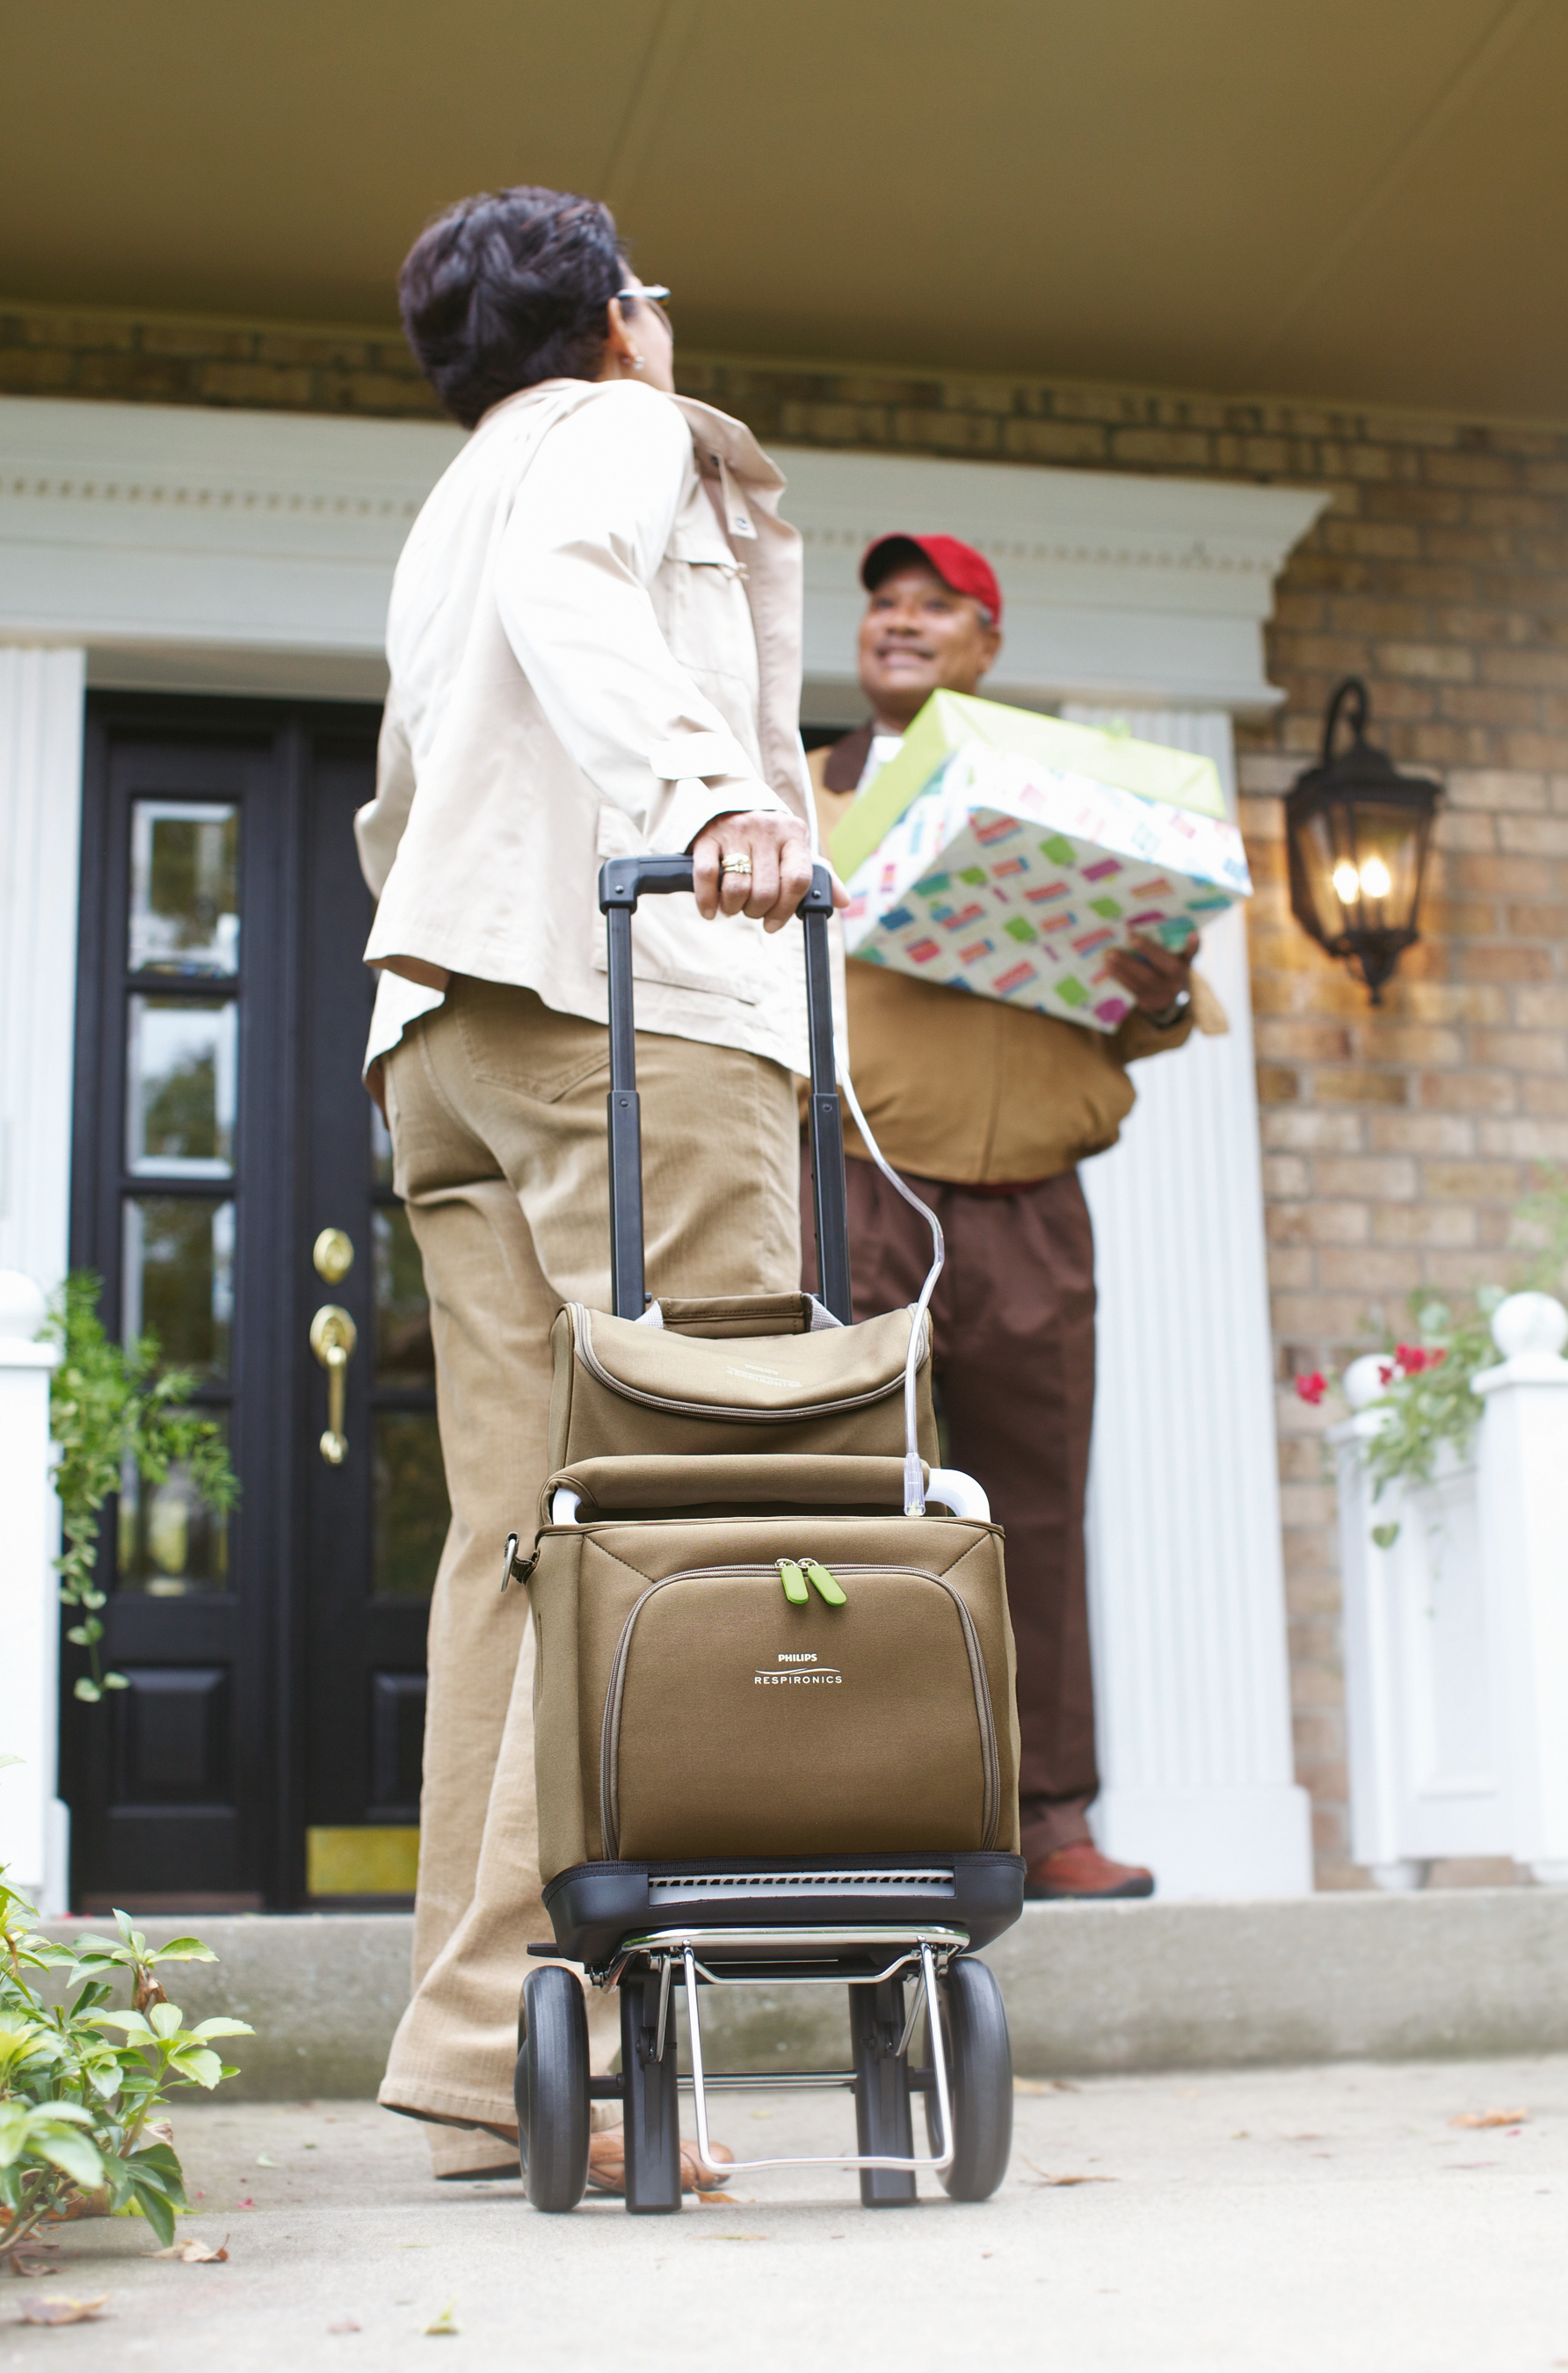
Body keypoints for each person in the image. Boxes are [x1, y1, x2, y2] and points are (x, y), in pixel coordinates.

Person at [356, 186, 815, 2188]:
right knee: (676, 1514)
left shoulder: (449, 495)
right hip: (627, 1014)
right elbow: (585, 591)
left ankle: (483, 2059)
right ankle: (585, 2046)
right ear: (617, 319)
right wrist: (710, 787)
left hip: (447, 1030)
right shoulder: (616, 435)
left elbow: (406, 788)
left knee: (512, 1545)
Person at [805, 534, 1224, 1900]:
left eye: (938, 608)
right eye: (884, 604)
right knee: (871, 1505)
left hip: (1037, 1207)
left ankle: (1051, 1825)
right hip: (866, 1184)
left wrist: (1157, 983)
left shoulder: (1066, 797)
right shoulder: (793, 800)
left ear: (988, 646)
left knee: (1035, 1518)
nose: (903, 623)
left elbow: (1159, 1020)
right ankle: (870, 1811)